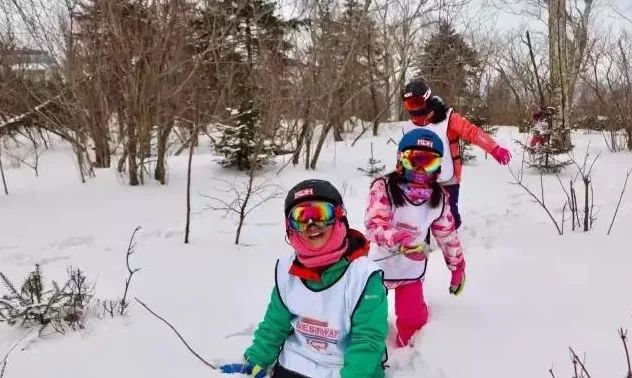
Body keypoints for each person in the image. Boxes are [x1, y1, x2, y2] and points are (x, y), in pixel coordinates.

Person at [220, 179, 388, 378]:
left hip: (345, 369)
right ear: (289, 227)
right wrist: (256, 360)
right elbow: (275, 323)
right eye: (300, 217)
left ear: (339, 216)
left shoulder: (363, 277)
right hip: (296, 363)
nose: (311, 225)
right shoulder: (286, 270)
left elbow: (368, 340)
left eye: (321, 214)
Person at [365, 128, 465, 348]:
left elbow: (447, 235)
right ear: (401, 160)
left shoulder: (439, 199)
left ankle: (409, 355)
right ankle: (368, 349)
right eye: (414, 161)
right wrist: (395, 237)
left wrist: (457, 267)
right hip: (377, 266)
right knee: (368, 318)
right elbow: (374, 226)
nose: (420, 169)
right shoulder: (384, 187)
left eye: (428, 163)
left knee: (414, 318)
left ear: (438, 166)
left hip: (410, 269)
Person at [401, 76, 512, 229]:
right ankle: (423, 243)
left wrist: (494, 148)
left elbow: (472, 132)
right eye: (409, 105)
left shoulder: (449, 119)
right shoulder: (409, 127)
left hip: (448, 178)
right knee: (422, 215)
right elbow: (403, 153)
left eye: (416, 103)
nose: (413, 109)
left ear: (426, 99)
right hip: (422, 179)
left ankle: (452, 235)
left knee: (449, 215)